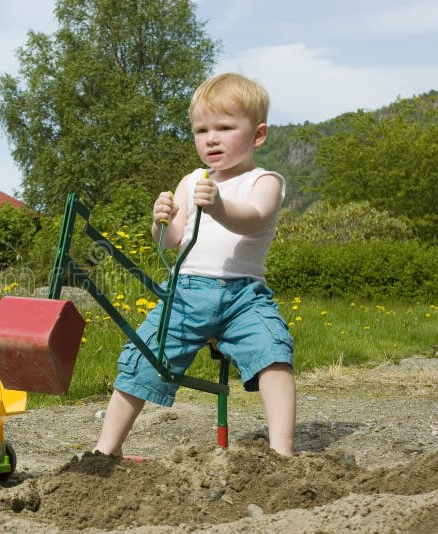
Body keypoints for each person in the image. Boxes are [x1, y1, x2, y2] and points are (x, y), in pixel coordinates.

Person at [94, 72, 296, 457]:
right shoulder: (193, 179)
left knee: (274, 351)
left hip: (244, 296)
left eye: (224, 127)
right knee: (143, 354)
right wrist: (160, 221)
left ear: (258, 135)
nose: (211, 138)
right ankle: (107, 449)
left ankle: (282, 451)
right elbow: (171, 241)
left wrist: (219, 205)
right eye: (201, 130)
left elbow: (253, 217)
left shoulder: (264, 180)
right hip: (185, 294)